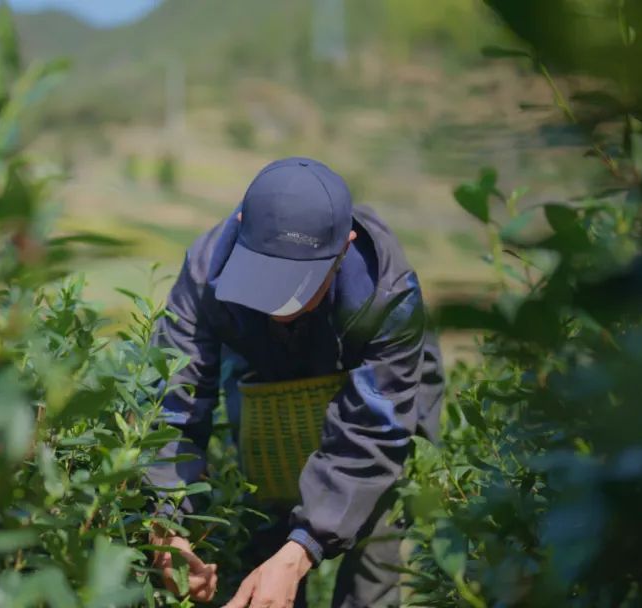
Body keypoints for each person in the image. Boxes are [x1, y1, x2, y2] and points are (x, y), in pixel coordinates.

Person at [147, 157, 444, 607]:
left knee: (373, 543)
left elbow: (373, 436)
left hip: (375, 401)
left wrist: (304, 548)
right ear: (243, 228)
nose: (282, 304)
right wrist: (167, 522)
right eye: (267, 278)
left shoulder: (387, 293)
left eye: (302, 284)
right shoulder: (207, 271)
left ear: (344, 248)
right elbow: (174, 401)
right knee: (264, 534)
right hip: (267, 384)